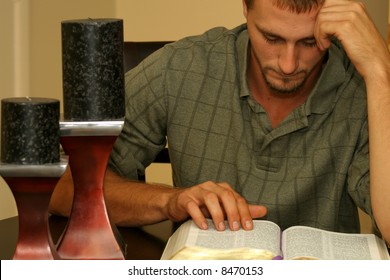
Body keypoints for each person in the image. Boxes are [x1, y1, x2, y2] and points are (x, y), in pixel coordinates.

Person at [50, 0, 390, 244]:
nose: (288, 64)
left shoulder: (361, 86)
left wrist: (380, 72)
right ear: (245, 8)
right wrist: (171, 201)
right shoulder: (182, 68)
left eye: (308, 42)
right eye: (271, 38)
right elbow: (60, 188)